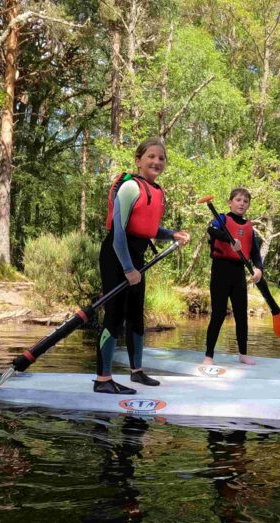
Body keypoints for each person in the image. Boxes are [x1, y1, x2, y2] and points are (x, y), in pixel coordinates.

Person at [95, 138, 190, 394]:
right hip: (117, 256)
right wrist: (127, 268)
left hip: (135, 259)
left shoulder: (157, 192)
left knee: (136, 317)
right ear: (138, 160)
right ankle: (103, 380)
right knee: (114, 317)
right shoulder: (129, 188)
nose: (156, 161)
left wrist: (173, 235)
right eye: (151, 156)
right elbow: (118, 233)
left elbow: (147, 228)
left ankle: (136, 372)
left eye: (161, 158)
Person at [203, 188, 263, 366]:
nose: (241, 203)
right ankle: (209, 355)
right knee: (218, 313)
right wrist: (228, 239)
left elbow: (255, 252)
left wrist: (259, 268)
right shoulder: (222, 218)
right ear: (230, 202)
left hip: (238, 273)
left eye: (245, 201)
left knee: (241, 314)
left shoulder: (249, 228)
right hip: (221, 270)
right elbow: (211, 230)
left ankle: (243, 354)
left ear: (248, 205)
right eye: (238, 200)